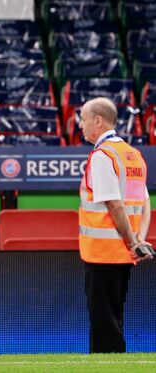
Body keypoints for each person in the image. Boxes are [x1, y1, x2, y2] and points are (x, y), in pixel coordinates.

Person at [78, 97, 152, 353]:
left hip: (103, 254)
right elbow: (144, 205)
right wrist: (138, 242)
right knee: (114, 318)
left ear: (98, 121)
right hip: (123, 255)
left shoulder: (103, 156)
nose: (80, 126)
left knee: (104, 325)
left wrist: (133, 242)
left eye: (83, 120)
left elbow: (115, 205)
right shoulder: (133, 155)